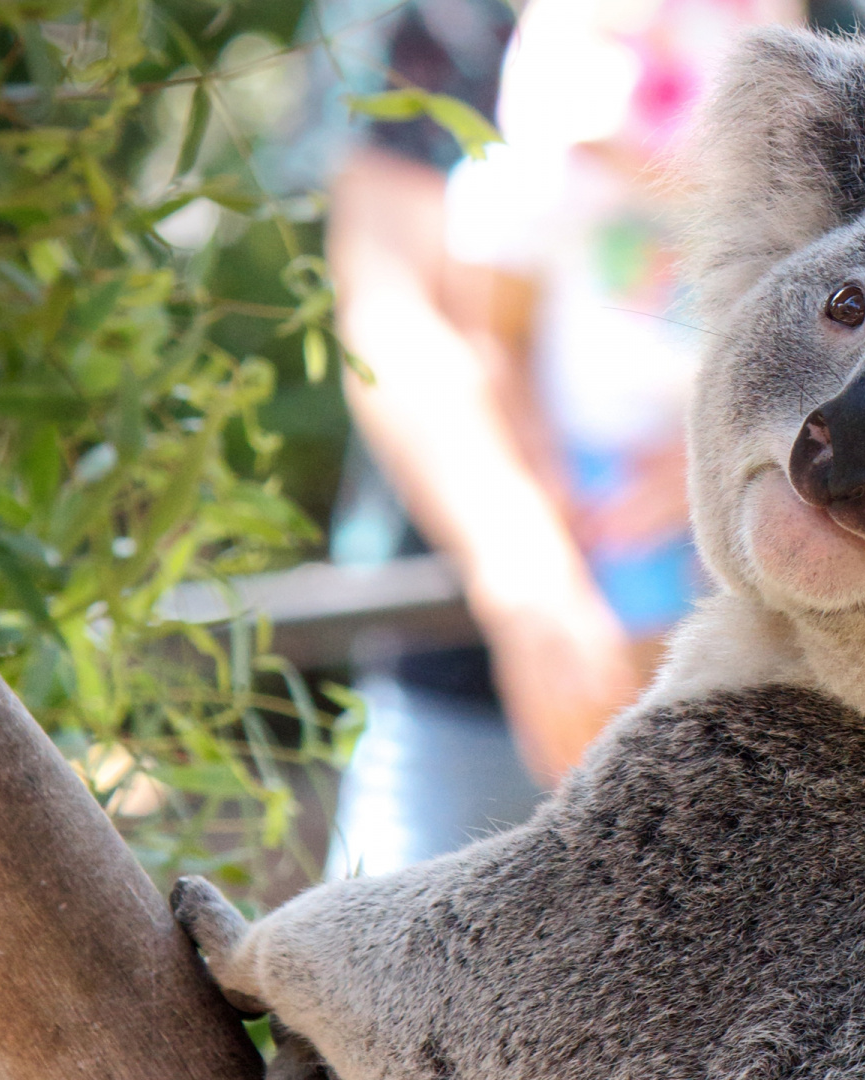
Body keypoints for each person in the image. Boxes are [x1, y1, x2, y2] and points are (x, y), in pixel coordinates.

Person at [319, 0, 797, 876]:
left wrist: (749, 438)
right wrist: (530, 578)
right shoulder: (466, 41)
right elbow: (410, 313)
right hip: (477, 667)